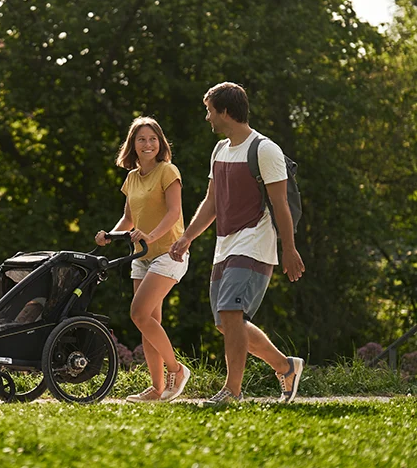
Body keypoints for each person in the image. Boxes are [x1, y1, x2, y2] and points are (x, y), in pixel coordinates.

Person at [169, 82, 306, 406]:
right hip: (225, 244)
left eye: (210, 111)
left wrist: (289, 248)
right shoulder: (220, 150)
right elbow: (213, 201)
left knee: (232, 312)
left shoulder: (264, 149)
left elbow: (281, 204)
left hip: (256, 242)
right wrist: (188, 236)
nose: (207, 118)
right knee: (226, 323)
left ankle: (232, 391)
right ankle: (286, 367)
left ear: (226, 111)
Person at [95, 117, 191, 402]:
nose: (147, 144)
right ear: (132, 146)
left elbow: (174, 213)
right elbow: (128, 218)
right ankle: (158, 388)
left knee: (138, 314)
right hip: (142, 256)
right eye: (141, 139)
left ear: (160, 142)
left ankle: (177, 370)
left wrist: (149, 234)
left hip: (170, 253)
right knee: (148, 321)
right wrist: (109, 236)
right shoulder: (132, 178)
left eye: (152, 139)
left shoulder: (168, 171)